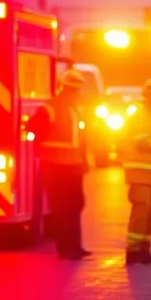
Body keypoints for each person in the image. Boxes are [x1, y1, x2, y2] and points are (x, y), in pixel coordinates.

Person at [27, 68, 90, 260]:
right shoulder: (51, 107)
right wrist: (46, 148)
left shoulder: (76, 109)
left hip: (73, 165)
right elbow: (32, 129)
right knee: (62, 209)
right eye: (74, 89)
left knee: (76, 204)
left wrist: (84, 160)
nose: (77, 93)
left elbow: (81, 139)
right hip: (55, 166)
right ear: (66, 88)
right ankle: (66, 248)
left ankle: (75, 246)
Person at [123, 78, 151, 265]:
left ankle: (144, 249)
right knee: (142, 210)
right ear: (149, 97)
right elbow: (140, 140)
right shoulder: (141, 114)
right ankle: (133, 251)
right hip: (139, 170)